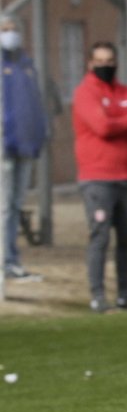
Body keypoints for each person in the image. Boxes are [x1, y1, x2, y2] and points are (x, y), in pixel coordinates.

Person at [72, 41, 127, 312]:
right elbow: (102, 127)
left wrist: (121, 120)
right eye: (100, 61)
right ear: (90, 64)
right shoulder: (85, 93)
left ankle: (124, 294)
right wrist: (126, 120)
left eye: (110, 60)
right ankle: (97, 295)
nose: (106, 66)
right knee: (100, 237)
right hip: (97, 178)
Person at [2, 15, 47, 282]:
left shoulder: (26, 64)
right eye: (4, 30)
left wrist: (38, 135)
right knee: (4, 207)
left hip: (25, 145)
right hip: (4, 146)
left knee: (15, 205)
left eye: (13, 29)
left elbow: (34, 103)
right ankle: (5, 261)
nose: (10, 34)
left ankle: (12, 259)